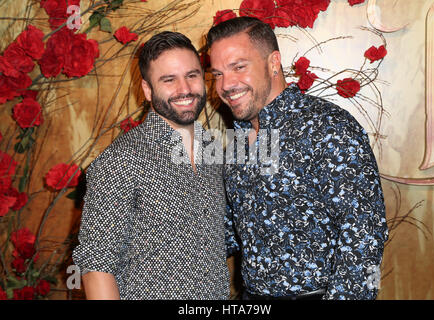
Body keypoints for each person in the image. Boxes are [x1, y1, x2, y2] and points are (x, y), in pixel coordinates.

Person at [207, 17, 389, 300]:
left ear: (273, 62)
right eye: (217, 73)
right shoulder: (239, 138)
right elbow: (233, 229)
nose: (226, 84)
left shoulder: (328, 126)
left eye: (238, 67)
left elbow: (366, 235)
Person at [72, 31, 230, 299]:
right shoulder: (121, 159)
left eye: (191, 76)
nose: (184, 89)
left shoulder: (213, 152)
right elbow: (96, 264)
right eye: (169, 80)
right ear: (147, 89)